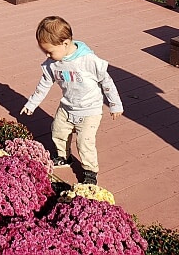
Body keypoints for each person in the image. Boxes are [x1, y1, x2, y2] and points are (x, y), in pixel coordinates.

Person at [20, 15, 123, 186]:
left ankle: (90, 170)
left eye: (50, 51)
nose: (47, 55)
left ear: (65, 43)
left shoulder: (88, 60)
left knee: (84, 142)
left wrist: (115, 104)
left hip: (89, 109)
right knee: (58, 131)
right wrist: (32, 103)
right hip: (67, 106)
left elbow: (106, 81)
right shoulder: (51, 64)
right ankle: (63, 156)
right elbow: (43, 85)